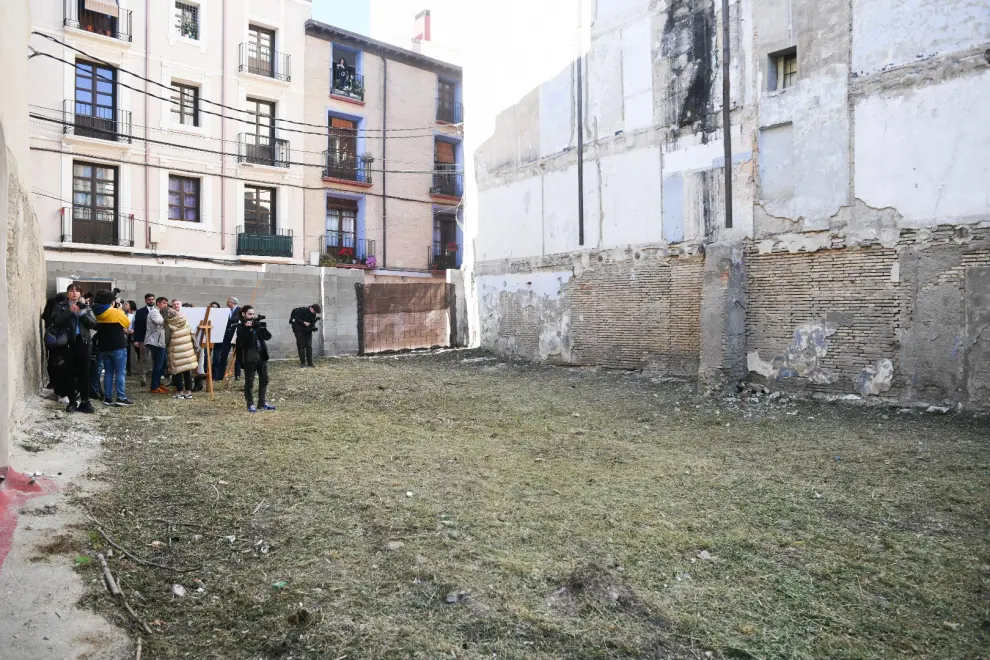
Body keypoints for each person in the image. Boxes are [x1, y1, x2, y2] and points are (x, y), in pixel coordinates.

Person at [49, 283, 97, 413]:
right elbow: (55, 322)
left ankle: (85, 402)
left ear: (80, 293)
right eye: (71, 291)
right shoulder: (61, 306)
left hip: (83, 342)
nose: (74, 293)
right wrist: (69, 312)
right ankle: (72, 402)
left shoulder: (86, 307)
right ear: (67, 293)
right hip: (67, 344)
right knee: (68, 374)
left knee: (84, 374)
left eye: (77, 291)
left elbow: (94, 324)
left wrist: (81, 315)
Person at [92, 290, 134, 406]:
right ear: (111, 301)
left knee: (108, 372)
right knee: (120, 372)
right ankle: (121, 397)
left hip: (103, 346)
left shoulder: (95, 311)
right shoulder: (116, 312)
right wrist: (119, 310)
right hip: (118, 345)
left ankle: (108, 398)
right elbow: (126, 323)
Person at [236, 306, 275, 413]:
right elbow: (245, 343)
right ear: (244, 314)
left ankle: (262, 403)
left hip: (261, 356)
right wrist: (248, 329)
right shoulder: (240, 327)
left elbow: (268, 337)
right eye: (249, 314)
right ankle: (250, 404)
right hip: (249, 358)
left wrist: (262, 327)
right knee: (249, 382)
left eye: (253, 314)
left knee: (264, 380)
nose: (252, 316)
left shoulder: (256, 325)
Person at [165, 304, 199, 399]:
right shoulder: (185, 321)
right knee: (187, 371)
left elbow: (166, 340)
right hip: (187, 350)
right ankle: (188, 392)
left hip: (175, 351)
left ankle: (179, 392)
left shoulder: (169, 325)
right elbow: (191, 334)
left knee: (177, 372)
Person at [44, 293, 72, 404]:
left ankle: (56, 388)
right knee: (60, 366)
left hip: (51, 342)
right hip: (59, 342)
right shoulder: (59, 310)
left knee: (53, 363)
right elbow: (59, 323)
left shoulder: (50, 308)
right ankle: (61, 393)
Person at [212, 297, 241, 381]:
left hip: (235, 336)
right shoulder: (226, 311)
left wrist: (228, 321)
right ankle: (220, 375)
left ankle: (237, 375)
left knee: (237, 355)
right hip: (226, 336)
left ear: (233, 302)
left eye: (228, 302)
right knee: (223, 355)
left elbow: (235, 320)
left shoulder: (240, 310)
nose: (227, 304)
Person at [145, 296, 170, 394]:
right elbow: (159, 322)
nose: (166, 305)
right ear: (158, 303)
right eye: (164, 303)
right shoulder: (154, 311)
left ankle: (158, 384)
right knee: (158, 365)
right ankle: (154, 387)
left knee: (163, 364)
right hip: (155, 341)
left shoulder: (158, 311)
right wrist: (168, 317)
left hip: (160, 342)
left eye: (166, 303)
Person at [132, 293, 155, 387]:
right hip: (143, 338)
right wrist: (136, 339)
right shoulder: (140, 312)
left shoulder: (158, 311)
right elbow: (136, 326)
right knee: (143, 359)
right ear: (146, 301)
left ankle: (156, 377)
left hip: (155, 339)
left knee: (156, 358)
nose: (151, 301)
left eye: (153, 299)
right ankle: (142, 378)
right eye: (149, 299)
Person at [289, 303, 321, 368]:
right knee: (301, 346)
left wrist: (313, 327)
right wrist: (304, 322)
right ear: (312, 308)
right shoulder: (301, 311)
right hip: (299, 330)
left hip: (307, 330)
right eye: (314, 311)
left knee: (309, 346)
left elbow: (311, 323)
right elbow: (295, 319)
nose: (314, 313)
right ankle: (303, 363)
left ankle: (310, 363)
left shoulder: (313, 314)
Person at [124, 300, 137, 376]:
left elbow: (139, 324)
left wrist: (134, 331)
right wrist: (124, 329)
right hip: (126, 335)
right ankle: (128, 370)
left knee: (138, 352)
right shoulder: (124, 314)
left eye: (126, 304)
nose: (125, 305)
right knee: (127, 353)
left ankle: (141, 371)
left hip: (135, 335)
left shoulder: (137, 313)